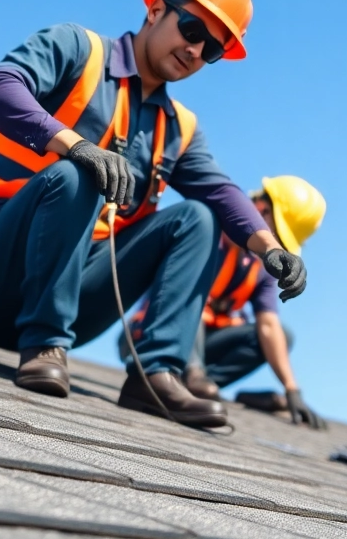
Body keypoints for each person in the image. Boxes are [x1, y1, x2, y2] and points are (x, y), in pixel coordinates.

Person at [0, 0, 308, 428]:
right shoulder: (78, 50)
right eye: (192, 28)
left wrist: (270, 248)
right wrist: (75, 145)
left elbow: (220, 191)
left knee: (198, 218)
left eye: (212, 49)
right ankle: (44, 342)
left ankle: (155, 374)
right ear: (156, 9)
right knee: (81, 174)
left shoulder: (179, 129)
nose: (195, 50)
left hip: (75, 294)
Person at [125, 176, 328, 428]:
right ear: (259, 209)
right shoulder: (206, 232)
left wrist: (292, 390)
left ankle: (199, 383)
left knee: (281, 336)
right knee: (194, 303)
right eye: (275, 234)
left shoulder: (257, 269)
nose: (273, 245)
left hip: (205, 342)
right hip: (150, 335)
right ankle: (192, 377)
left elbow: (268, 327)